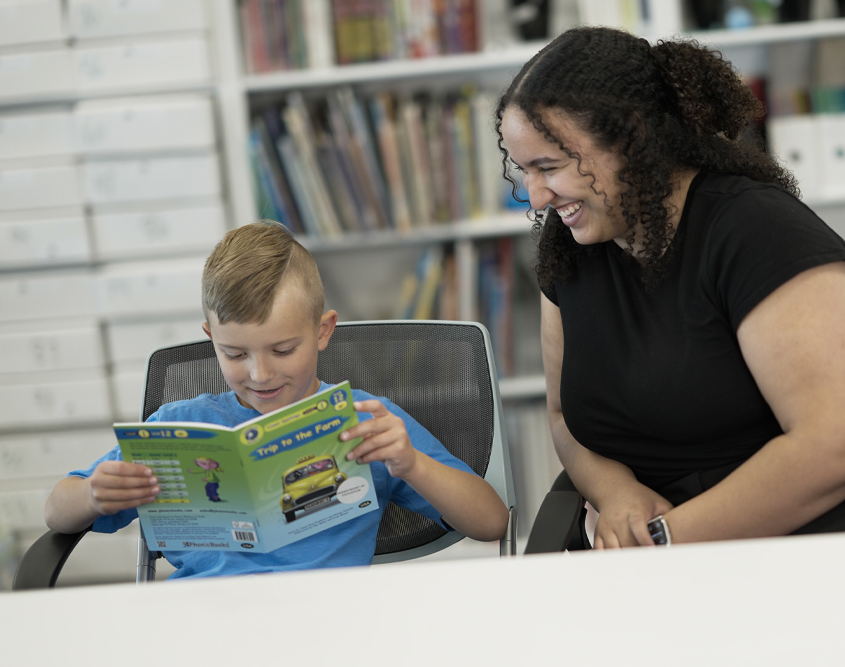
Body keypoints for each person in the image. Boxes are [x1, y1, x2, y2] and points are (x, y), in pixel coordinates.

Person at [496, 26, 845, 549]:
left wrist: (664, 541)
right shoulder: (569, 251)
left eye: (550, 167)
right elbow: (566, 415)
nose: (537, 197)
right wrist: (616, 493)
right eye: (524, 172)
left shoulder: (755, 228)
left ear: (632, 137)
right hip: (704, 531)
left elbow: (834, 450)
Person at [45, 222, 509, 578]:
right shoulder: (180, 425)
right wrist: (92, 493)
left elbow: (490, 521)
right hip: (202, 629)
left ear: (323, 331)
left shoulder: (366, 422)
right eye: (234, 353)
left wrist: (412, 464)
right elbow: (56, 511)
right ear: (211, 339)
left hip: (327, 628)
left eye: (283, 350)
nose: (260, 373)